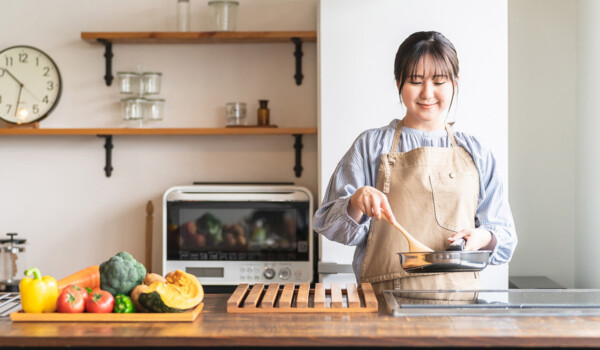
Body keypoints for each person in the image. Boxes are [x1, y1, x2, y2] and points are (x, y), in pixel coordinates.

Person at [313, 31, 517, 297]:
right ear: (399, 82)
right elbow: (329, 224)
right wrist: (355, 202)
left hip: (460, 313)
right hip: (382, 308)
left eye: (439, 81)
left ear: (455, 83)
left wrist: (482, 238)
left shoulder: (477, 152)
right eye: (415, 81)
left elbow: (505, 238)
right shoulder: (371, 145)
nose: (427, 93)